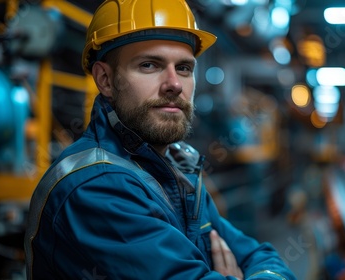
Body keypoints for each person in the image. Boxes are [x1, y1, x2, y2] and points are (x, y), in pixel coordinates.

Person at [24, 0, 297, 279]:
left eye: (184, 68)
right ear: (105, 79)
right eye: (149, 65)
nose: (174, 84)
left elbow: (261, 257)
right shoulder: (96, 186)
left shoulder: (179, 171)